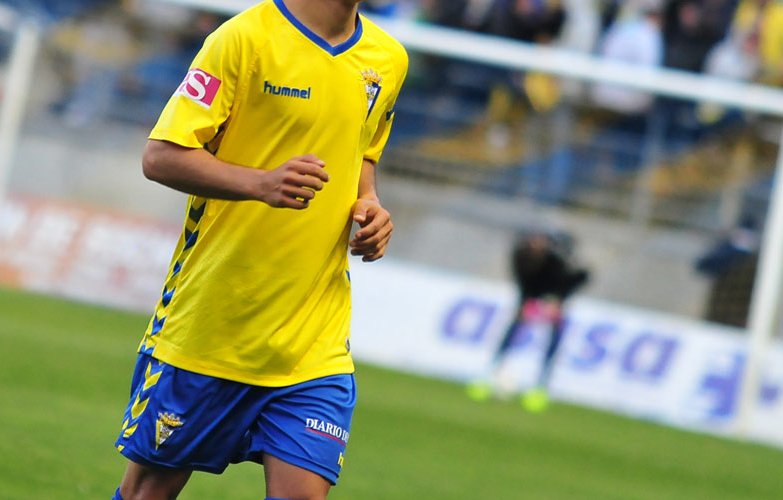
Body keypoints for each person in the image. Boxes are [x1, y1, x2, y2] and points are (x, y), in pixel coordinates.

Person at [110, 1, 408, 499]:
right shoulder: (243, 39)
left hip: (314, 341)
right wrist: (261, 183)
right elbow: (160, 156)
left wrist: (370, 203)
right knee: (149, 492)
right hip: (212, 329)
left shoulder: (389, 58)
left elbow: (363, 153)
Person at [468, 230, 589, 412]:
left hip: (551, 299)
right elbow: (524, 281)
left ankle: (541, 384)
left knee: (552, 340)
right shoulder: (521, 256)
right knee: (511, 334)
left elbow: (568, 281)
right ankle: (490, 373)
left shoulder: (557, 261)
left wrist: (557, 300)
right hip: (531, 298)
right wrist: (526, 303)